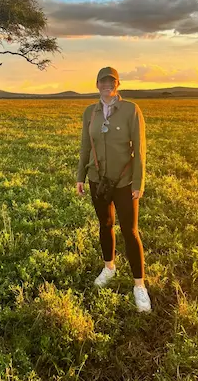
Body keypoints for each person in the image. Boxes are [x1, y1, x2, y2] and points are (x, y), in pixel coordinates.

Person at [76, 67, 151, 313]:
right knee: (105, 224)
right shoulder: (90, 112)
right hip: (98, 179)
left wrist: (139, 182)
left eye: (112, 81)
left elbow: (140, 149)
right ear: (97, 84)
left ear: (118, 84)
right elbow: (86, 146)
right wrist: (81, 177)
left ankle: (139, 285)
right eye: (103, 81)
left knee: (130, 230)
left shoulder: (131, 110)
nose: (107, 85)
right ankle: (109, 267)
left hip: (125, 181)